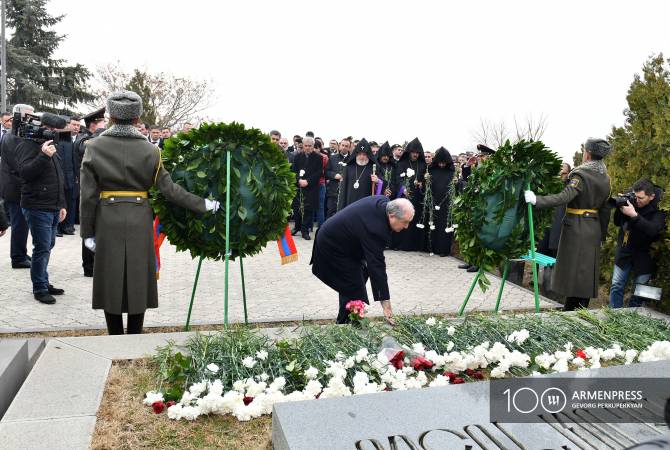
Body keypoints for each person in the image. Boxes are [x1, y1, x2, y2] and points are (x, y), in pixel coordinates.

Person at [79, 90, 217, 335]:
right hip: (139, 218)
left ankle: (114, 336)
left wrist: (87, 233)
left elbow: (88, 196)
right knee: (137, 277)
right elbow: (170, 190)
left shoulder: (94, 146)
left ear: (110, 116)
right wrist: (203, 204)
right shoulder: (151, 150)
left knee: (111, 277)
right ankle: (134, 335)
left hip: (107, 219)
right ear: (136, 118)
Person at [525, 138, 612, 311]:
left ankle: (570, 310)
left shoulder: (580, 175)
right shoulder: (606, 178)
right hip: (593, 228)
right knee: (585, 273)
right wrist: (601, 234)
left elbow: (565, 196)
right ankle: (579, 309)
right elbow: (605, 209)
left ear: (586, 154)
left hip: (576, 228)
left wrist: (537, 200)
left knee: (573, 272)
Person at [311, 196, 414, 325]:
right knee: (353, 285)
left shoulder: (385, 204)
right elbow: (377, 267)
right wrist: (386, 306)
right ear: (392, 216)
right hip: (332, 246)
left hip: (346, 245)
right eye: (405, 222)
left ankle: (347, 321)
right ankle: (345, 324)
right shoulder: (375, 228)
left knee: (358, 278)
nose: (406, 227)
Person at [16, 127, 68, 304]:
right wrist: (43, 155)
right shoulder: (27, 145)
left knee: (47, 245)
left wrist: (62, 204)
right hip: (37, 206)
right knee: (42, 247)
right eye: (50, 128)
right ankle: (39, 288)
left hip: (52, 207)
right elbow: (25, 173)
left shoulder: (50, 146)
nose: (53, 132)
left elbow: (58, 177)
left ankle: (43, 281)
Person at [609, 179, 665, 308]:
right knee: (616, 285)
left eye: (641, 198)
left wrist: (634, 215)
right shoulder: (631, 198)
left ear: (652, 196)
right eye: (635, 196)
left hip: (645, 253)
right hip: (625, 249)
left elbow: (653, 231)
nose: (637, 200)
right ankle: (613, 314)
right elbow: (618, 223)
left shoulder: (659, 207)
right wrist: (620, 208)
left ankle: (634, 317)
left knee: (640, 291)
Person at [0, 104, 33, 269]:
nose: (32, 119)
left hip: (18, 186)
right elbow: (18, 164)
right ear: (19, 116)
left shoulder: (17, 134)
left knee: (23, 223)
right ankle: (17, 258)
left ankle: (21, 251)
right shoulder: (12, 136)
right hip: (15, 187)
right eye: (29, 115)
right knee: (19, 222)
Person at [75, 107, 106, 277]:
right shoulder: (82, 138)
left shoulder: (93, 138)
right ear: (93, 125)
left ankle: (95, 263)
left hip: (97, 190)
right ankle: (89, 267)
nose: (104, 127)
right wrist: (99, 133)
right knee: (88, 227)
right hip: (87, 190)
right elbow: (82, 148)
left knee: (97, 227)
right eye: (101, 124)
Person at [393, 137, 426, 251]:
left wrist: (422, 184)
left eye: (417, 153)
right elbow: (398, 178)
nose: (415, 155)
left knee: (414, 219)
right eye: (413, 152)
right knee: (403, 219)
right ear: (409, 152)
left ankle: (414, 245)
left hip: (417, 196)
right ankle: (401, 244)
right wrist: (403, 188)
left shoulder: (422, 165)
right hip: (405, 196)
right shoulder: (402, 163)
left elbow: (424, 180)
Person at [337, 138, 384, 211]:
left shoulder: (374, 168)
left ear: (368, 155)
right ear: (356, 154)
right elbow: (343, 190)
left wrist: (377, 181)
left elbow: (383, 183)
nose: (362, 157)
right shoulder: (348, 167)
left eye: (364, 154)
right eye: (359, 154)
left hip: (366, 204)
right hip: (350, 203)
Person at [290, 136, 322, 239]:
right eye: (306, 145)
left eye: (310, 146)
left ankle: (305, 230)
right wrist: (299, 180)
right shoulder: (298, 157)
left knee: (308, 209)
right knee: (297, 208)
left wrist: (307, 181)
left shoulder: (318, 157)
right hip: (299, 187)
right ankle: (297, 227)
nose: (307, 148)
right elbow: (293, 171)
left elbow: (318, 173)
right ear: (302, 145)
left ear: (313, 146)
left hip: (311, 187)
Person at [427, 147, 455, 256]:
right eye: (440, 163)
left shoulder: (452, 171)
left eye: (444, 163)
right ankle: (432, 248)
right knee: (434, 225)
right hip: (434, 201)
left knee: (444, 225)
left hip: (446, 203)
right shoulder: (431, 170)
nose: (442, 165)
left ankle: (443, 249)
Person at [325, 137, 351, 218]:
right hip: (333, 191)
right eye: (342, 145)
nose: (344, 147)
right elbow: (326, 172)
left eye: (346, 146)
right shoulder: (332, 158)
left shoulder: (352, 159)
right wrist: (334, 175)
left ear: (349, 148)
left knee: (344, 213)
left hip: (346, 191)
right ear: (339, 146)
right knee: (330, 212)